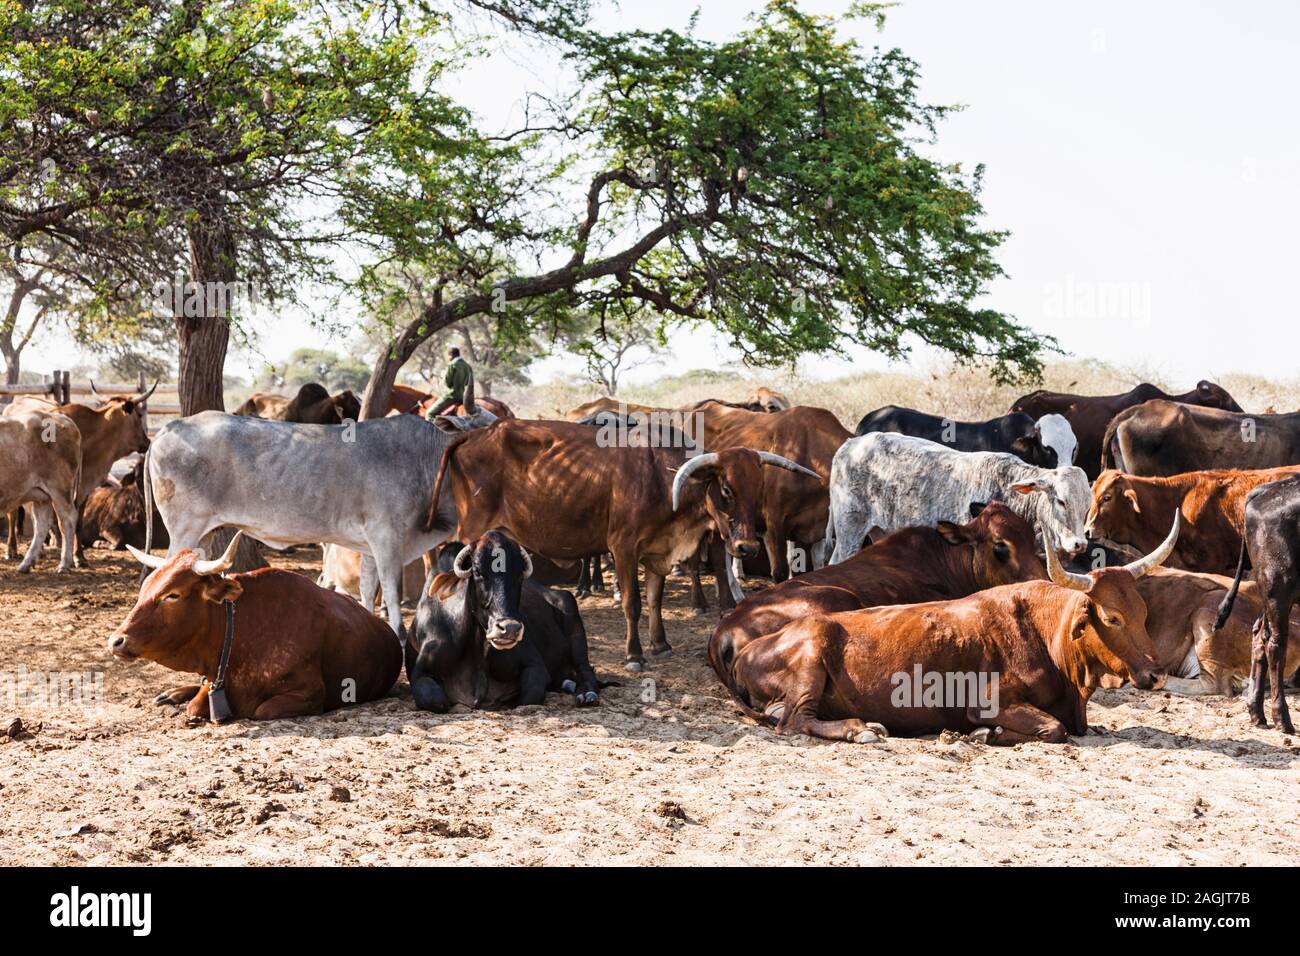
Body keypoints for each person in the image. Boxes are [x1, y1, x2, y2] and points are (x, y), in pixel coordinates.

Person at [424, 347, 473, 419]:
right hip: (461, 397)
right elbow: (467, 383)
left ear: (450, 355)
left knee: (429, 413)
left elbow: (448, 382)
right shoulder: (467, 366)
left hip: (450, 396)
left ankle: (433, 430)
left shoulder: (452, 364)